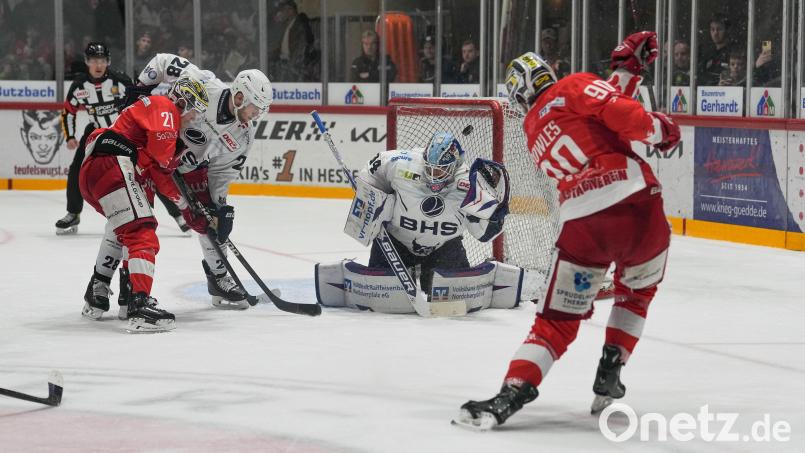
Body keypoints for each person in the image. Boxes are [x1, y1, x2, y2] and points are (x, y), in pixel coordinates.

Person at [455, 31, 681, 430]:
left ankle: (512, 392)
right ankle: (612, 366)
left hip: (583, 226)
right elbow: (619, 114)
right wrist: (662, 130)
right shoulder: (572, 84)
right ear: (547, 73)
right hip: (639, 209)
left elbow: (598, 113)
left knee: (556, 321)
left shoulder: (530, 129)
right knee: (637, 293)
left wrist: (626, 71)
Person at [129, 53, 273, 309]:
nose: (255, 115)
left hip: (186, 169)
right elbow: (162, 62)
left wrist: (219, 207)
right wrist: (140, 88)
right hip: (152, 151)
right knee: (134, 217)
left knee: (209, 221)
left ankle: (218, 279)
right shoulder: (205, 83)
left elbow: (223, 173)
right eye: (254, 108)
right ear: (240, 97)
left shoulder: (243, 136)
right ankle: (116, 283)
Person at [79, 75, 210, 332]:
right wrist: (179, 154)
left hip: (101, 171)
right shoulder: (165, 106)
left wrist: (185, 207)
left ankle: (103, 294)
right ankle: (140, 306)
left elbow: (160, 176)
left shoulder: (151, 132)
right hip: (113, 161)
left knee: (128, 230)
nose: (193, 120)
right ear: (183, 102)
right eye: (194, 113)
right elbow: (163, 161)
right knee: (142, 233)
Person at [348, 132, 509, 294]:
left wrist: (494, 216)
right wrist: (369, 196)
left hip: (444, 248)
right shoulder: (400, 163)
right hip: (395, 244)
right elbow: (369, 172)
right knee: (381, 293)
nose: (432, 175)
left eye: (439, 171)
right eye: (429, 168)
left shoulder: (471, 183)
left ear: (455, 165)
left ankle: (427, 271)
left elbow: (483, 234)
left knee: (455, 297)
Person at [54, 42, 132, 235]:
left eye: (102, 60)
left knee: (146, 165)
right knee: (76, 170)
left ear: (108, 62)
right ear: (87, 62)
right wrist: (70, 136)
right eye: (94, 60)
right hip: (95, 133)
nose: (99, 65)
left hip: (121, 132)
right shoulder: (79, 85)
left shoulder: (120, 80)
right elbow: (68, 112)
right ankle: (73, 213)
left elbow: (137, 104)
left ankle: (177, 213)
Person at [268, 0, 315, 81]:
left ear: (291, 11)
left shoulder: (299, 27)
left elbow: (300, 50)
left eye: (285, 10)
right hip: (282, 63)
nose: (282, 13)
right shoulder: (285, 25)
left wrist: (291, 66)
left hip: (292, 67)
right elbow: (277, 46)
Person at [698, 13, 733, 86]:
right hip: (705, 94)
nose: (715, 33)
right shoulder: (706, 53)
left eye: (719, 29)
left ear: (728, 30)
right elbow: (700, 77)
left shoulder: (733, 52)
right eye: (712, 29)